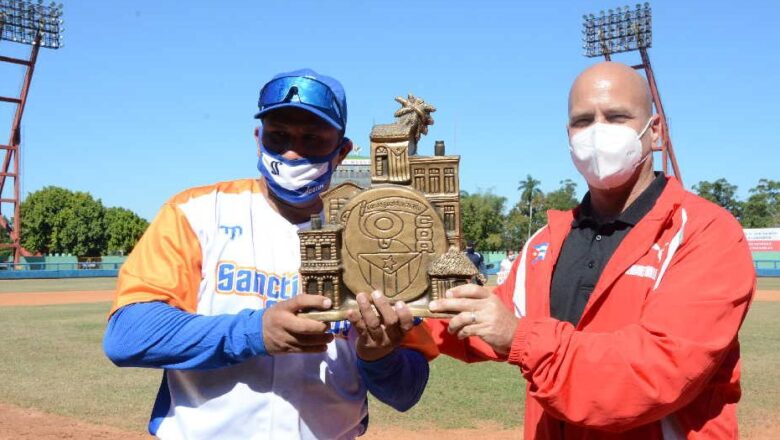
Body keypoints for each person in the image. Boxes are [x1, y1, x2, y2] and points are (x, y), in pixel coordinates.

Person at [426, 62, 755, 439]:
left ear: (656, 132)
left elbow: (654, 373)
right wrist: (406, 323)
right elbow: (479, 321)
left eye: (616, 117)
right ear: (569, 135)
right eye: (583, 121)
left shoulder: (704, 233)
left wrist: (521, 337)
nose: (598, 133)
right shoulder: (546, 242)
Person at [103, 69, 436, 440]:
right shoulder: (196, 213)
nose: (292, 151)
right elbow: (128, 336)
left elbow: (406, 392)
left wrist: (379, 356)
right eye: (279, 136)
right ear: (258, 137)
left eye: (312, 138)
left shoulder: (377, 236)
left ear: (341, 151)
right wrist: (254, 331)